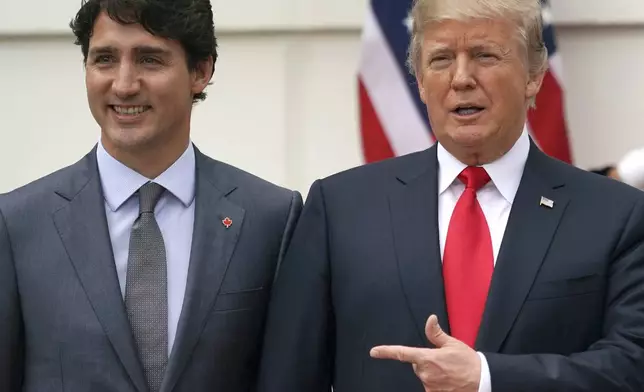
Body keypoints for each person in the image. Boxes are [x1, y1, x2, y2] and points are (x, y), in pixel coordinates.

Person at [257, 0, 644, 391]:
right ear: (421, 82)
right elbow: (288, 376)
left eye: (484, 55)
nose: (461, 78)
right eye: (441, 59)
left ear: (534, 74)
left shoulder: (617, 216)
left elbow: (631, 366)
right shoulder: (340, 209)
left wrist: (487, 378)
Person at [0, 0, 302, 391]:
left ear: (201, 71)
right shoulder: (17, 224)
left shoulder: (272, 220)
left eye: (149, 60)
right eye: (105, 59)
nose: (124, 84)